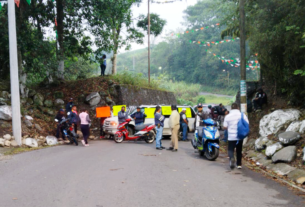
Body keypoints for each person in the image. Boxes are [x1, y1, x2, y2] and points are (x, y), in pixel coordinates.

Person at [223, 102, 249, 170]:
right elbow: (247, 123)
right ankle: (239, 164)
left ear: (231, 108)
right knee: (239, 150)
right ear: (238, 108)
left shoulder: (227, 116)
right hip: (240, 135)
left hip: (231, 136)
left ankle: (231, 158)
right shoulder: (242, 115)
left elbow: (225, 126)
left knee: (230, 149)